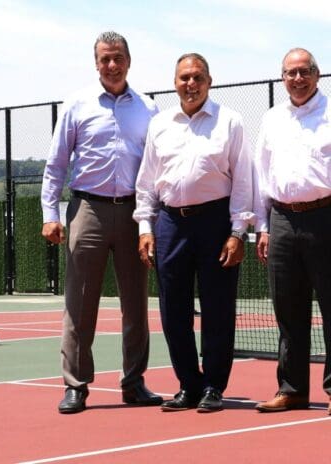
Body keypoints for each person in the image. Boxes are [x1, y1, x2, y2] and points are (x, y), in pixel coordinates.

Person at [41, 31, 162, 414]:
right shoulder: (76, 105)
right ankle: (76, 385)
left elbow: (157, 165)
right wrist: (50, 214)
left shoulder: (149, 108)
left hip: (134, 213)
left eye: (118, 57)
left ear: (129, 60)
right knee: (79, 303)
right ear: (96, 63)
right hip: (87, 211)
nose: (112, 65)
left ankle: (134, 381)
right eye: (105, 58)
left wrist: (151, 219)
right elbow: (56, 165)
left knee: (136, 303)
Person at [133, 53, 253, 413]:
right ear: (175, 83)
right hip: (170, 223)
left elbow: (244, 181)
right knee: (173, 310)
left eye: (198, 77)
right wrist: (145, 226)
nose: (191, 83)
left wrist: (238, 232)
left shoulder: (230, 122)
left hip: (216, 222)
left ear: (209, 81)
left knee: (218, 308)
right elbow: (147, 182)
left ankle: (214, 385)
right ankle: (188, 384)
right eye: (184, 77)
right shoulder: (160, 124)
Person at [253, 48, 331, 415]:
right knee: (288, 310)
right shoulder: (271, 119)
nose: (297, 79)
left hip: (326, 216)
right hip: (282, 221)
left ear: (317, 74)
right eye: (290, 73)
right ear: (282, 78)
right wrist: (264, 227)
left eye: (304, 71)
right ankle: (293, 388)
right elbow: (261, 177)